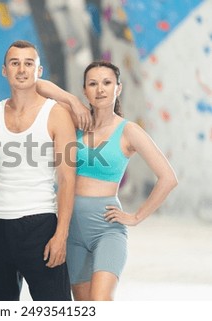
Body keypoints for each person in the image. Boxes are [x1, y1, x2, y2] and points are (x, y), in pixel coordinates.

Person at [36, 60, 178, 300]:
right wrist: (72, 101)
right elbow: (36, 84)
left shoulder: (128, 131)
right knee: (84, 307)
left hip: (106, 229)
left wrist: (136, 216)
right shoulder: (75, 121)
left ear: (118, 88)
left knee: (100, 302)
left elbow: (168, 178)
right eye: (92, 83)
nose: (100, 89)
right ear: (85, 90)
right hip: (70, 229)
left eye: (106, 83)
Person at [0, 40, 84, 301]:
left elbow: (67, 179)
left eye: (28, 63)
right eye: (14, 63)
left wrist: (61, 234)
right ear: (4, 70)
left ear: (38, 71)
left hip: (40, 224)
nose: (21, 69)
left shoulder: (56, 115)